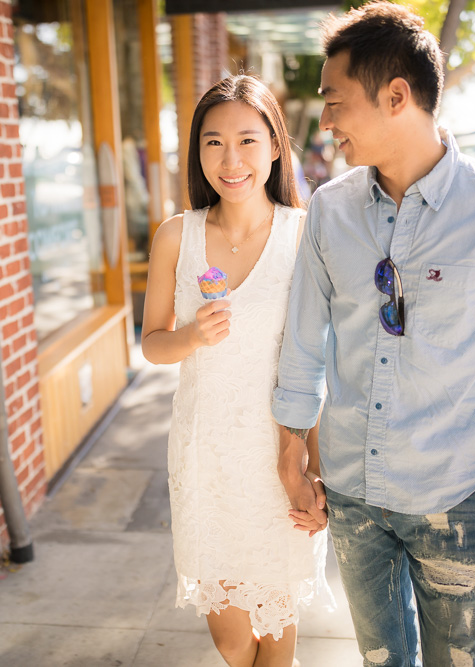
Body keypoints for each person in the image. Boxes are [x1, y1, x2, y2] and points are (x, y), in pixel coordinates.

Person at [272, 3, 475, 666]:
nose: (328, 121)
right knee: (381, 660)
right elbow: (302, 346)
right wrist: (291, 453)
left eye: (336, 101)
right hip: (350, 493)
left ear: (396, 96)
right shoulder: (329, 211)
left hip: (451, 497)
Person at [142, 75, 331, 667]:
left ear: (275, 147)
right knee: (232, 640)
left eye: (248, 140)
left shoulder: (304, 235)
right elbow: (151, 343)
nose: (231, 159)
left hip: (280, 458)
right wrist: (192, 336)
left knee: (277, 634)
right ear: (197, 152)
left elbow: (320, 365)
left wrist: (317, 470)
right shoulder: (178, 235)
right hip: (207, 463)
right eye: (213, 142)